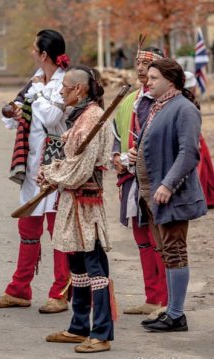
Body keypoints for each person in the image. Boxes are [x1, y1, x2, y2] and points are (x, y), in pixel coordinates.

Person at [0, 29, 70, 314]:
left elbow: (52, 116)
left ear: (44, 54)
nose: (32, 52)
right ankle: (20, 289)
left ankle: (61, 292)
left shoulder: (63, 83)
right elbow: (13, 112)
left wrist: (36, 94)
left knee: (57, 229)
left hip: (56, 162)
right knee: (28, 225)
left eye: (35, 49)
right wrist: (15, 110)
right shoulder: (36, 80)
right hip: (32, 163)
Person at [129, 58, 207, 332]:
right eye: (147, 78)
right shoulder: (157, 106)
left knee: (175, 252)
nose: (147, 82)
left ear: (170, 81)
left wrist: (167, 184)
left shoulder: (183, 108)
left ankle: (176, 315)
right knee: (165, 252)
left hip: (171, 194)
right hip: (152, 195)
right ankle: (170, 311)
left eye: (153, 78)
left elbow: (189, 153)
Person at [43, 65, 114, 353]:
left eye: (65, 87)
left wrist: (51, 174)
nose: (60, 91)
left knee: (94, 266)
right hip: (74, 200)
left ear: (79, 89)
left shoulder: (92, 120)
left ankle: (101, 333)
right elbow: (69, 162)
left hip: (87, 204)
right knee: (79, 266)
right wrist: (53, 169)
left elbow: (80, 170)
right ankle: (79, 327)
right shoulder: (83, 117)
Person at [112, 45, 168, 317]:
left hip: (157, 180)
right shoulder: (129, 100)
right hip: (130, 177)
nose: (141, 68)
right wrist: (115, 155)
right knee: (141, 238)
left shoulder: (167, 101)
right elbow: (116, 132)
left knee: (161, 239)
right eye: (138, 63)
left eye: (148, 64)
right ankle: (152, 296)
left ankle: (167, 300)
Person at [184, 71, 214, 207]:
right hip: (193, 138)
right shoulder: (187, 103)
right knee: (199, 168)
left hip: (197, 136)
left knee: (205, 167)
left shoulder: (189, 101)